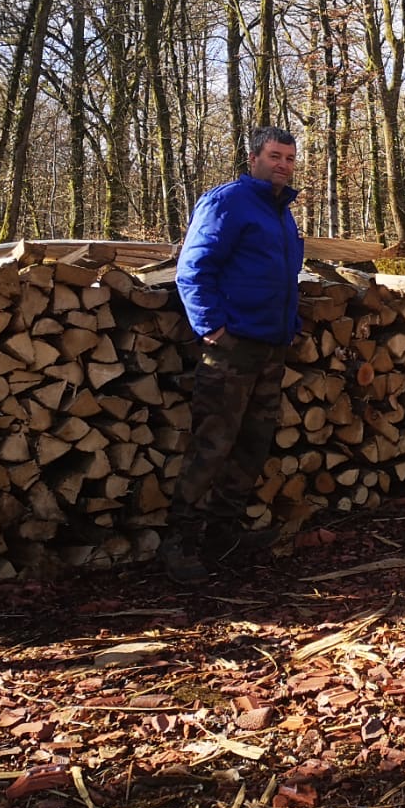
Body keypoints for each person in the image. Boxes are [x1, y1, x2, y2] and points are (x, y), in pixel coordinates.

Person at [167, 126, 306, 583]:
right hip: (233, 347)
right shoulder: (228, 202)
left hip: (271, 345)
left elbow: (282, 277)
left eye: (288, 157)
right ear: (253, 157)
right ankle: (179, 542)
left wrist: (289, 327)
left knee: (251, 444)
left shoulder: (281, 213)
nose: (282, 164)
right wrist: (212, 327)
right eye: (274, 155)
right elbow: (194, 268)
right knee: (212, 445)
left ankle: (223, 533)